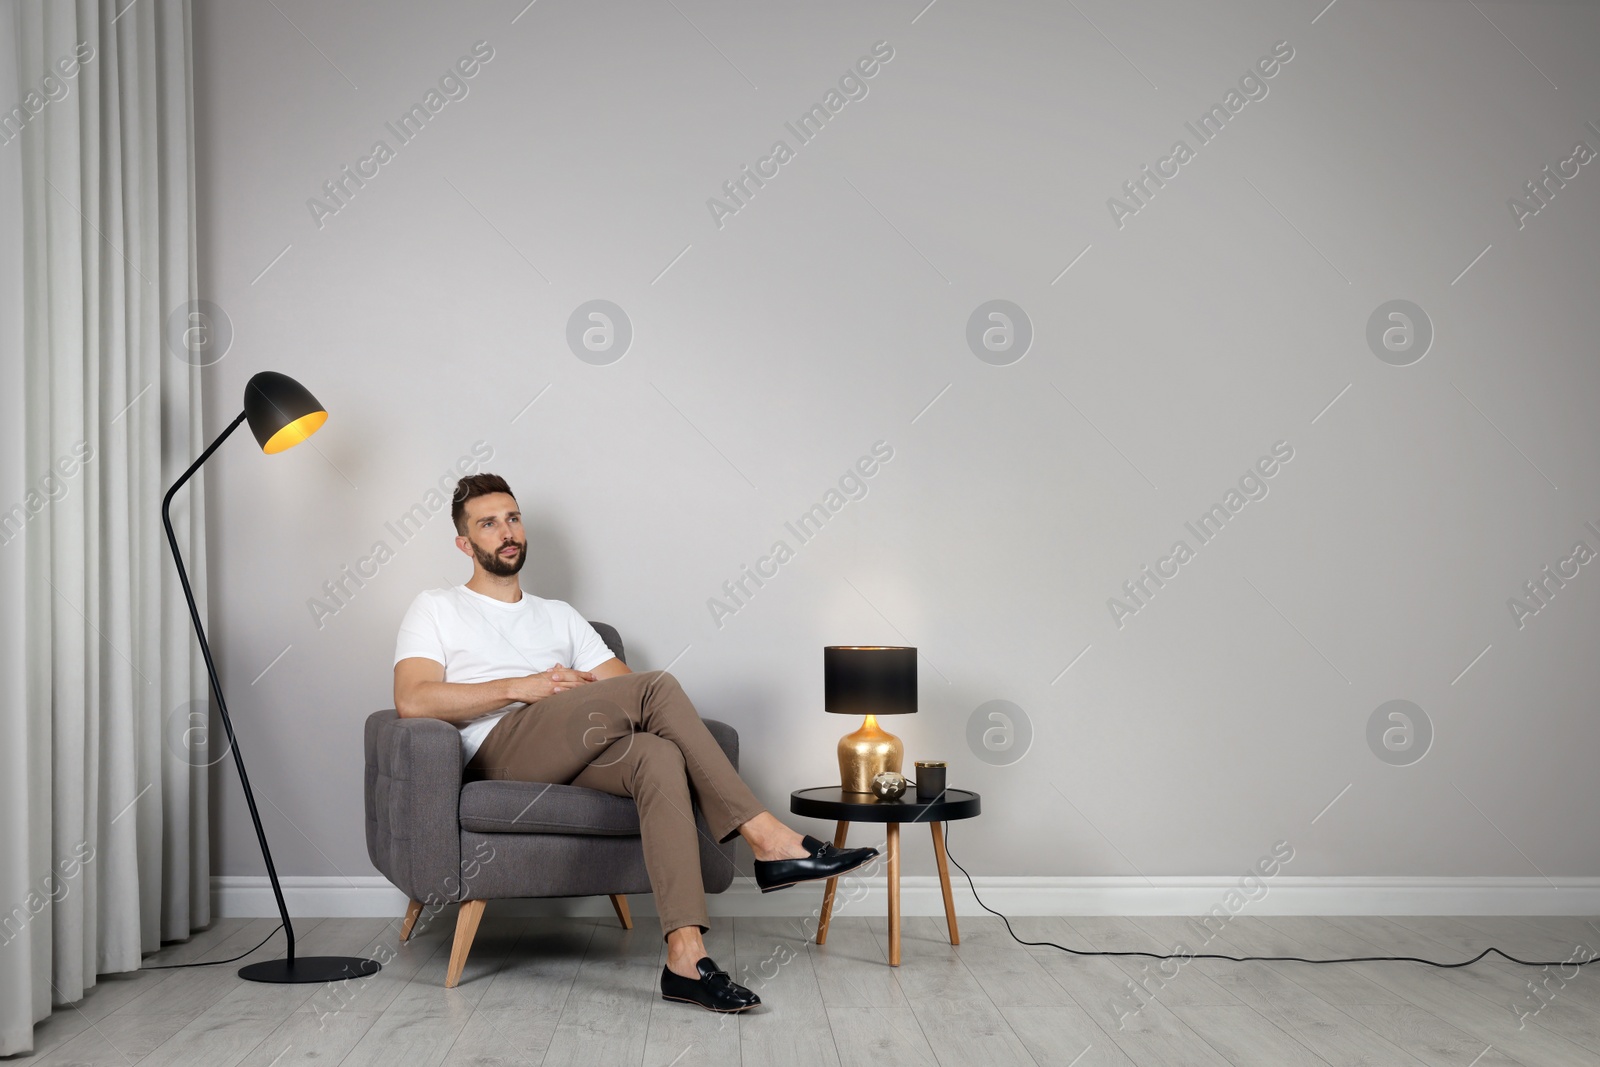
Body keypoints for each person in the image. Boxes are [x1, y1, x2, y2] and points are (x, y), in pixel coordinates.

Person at [392, 473, 878, 1012]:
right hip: (497, 752)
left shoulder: (559, 615)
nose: (506, 531)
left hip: (569, 745)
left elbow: (625, 691)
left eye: (512, 517)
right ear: (465, 543)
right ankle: (767, 838)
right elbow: (412, 700)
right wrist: (522, 688)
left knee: (656, 754)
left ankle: (685, 958)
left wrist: (574, 695)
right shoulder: (436, 607)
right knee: (659, 685)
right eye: (488, 523)